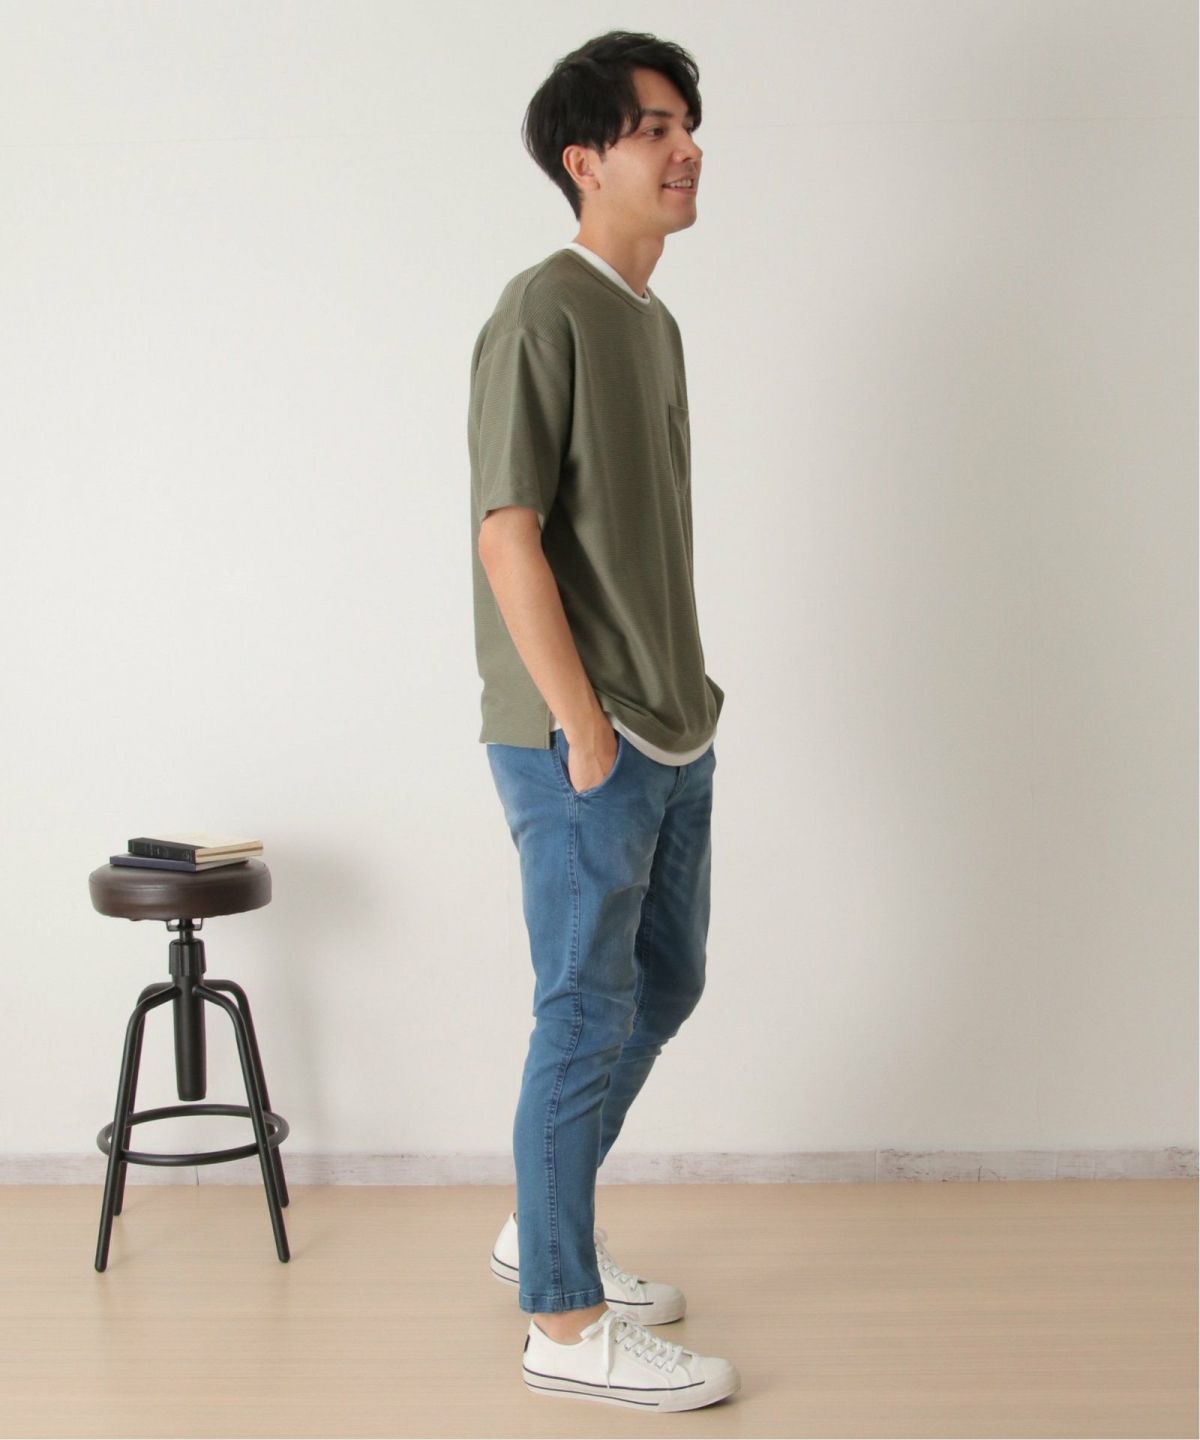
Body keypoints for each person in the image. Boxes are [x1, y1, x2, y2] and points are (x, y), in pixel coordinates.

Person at [468, 31, 739, 1412]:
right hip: (584, 735)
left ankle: (544, 1223)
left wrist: (673, 712)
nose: (686, 147)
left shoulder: (652, 321)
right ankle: (564, 1327)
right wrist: (582, 725)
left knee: (664, 983)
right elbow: (505, 532)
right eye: (655, 128)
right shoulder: (543, 310)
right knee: (582, 1010)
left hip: (672, 724)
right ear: (585, 160)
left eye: (689, 123)